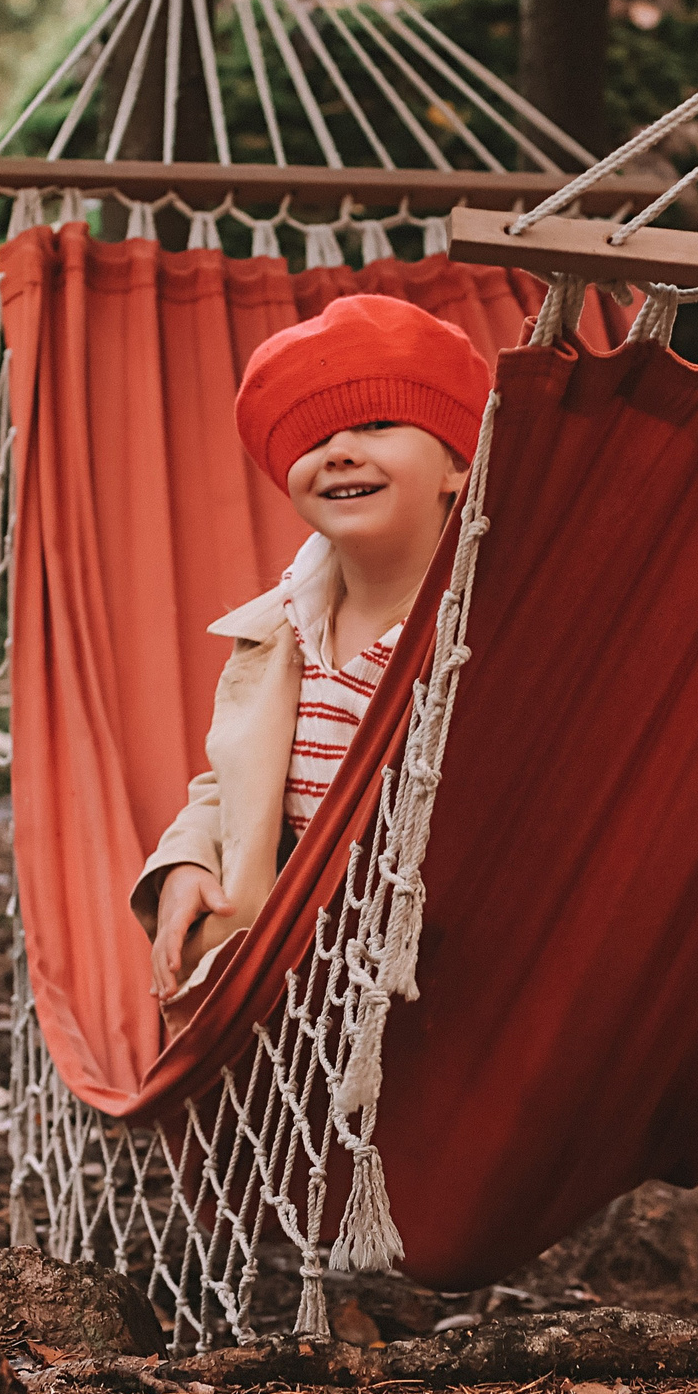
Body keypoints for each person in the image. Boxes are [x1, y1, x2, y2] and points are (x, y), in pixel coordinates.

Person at [129, 293, 492, 1005]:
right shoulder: (284, 628)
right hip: (294, 985)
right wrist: (184, 863)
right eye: (316, 438)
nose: (341, 451)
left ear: (458, 462)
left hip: (437, 971)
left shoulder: (479, 631)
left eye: (380, 424)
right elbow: (230, 784)